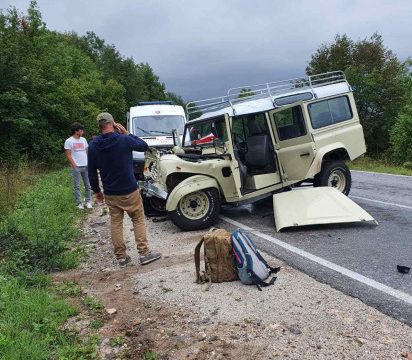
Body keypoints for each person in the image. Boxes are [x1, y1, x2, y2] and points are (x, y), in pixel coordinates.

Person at [88, 112, 161, 267]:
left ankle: (121, 257)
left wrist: (97, 191)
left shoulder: (93, 145)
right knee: (138, 219)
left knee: (116, 223)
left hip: (110, 192)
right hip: (129, 189)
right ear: (113, 123)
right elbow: (143, 146)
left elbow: (91, 171)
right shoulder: (123, 139)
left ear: (99, 126)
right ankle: (144, 253)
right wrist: (127, 132)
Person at [64, 122, 92, 210]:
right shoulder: (69, 141)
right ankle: (79, 203)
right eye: (81, 130)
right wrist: (74, 165)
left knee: (88, 185)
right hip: (76, 167)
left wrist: (89, 162)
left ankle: (88, 201)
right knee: (77, 186)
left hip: (86, 165)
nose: (82, 132)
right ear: (76, 131)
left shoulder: (83, 140)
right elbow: (68, 155)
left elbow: (87, 152)